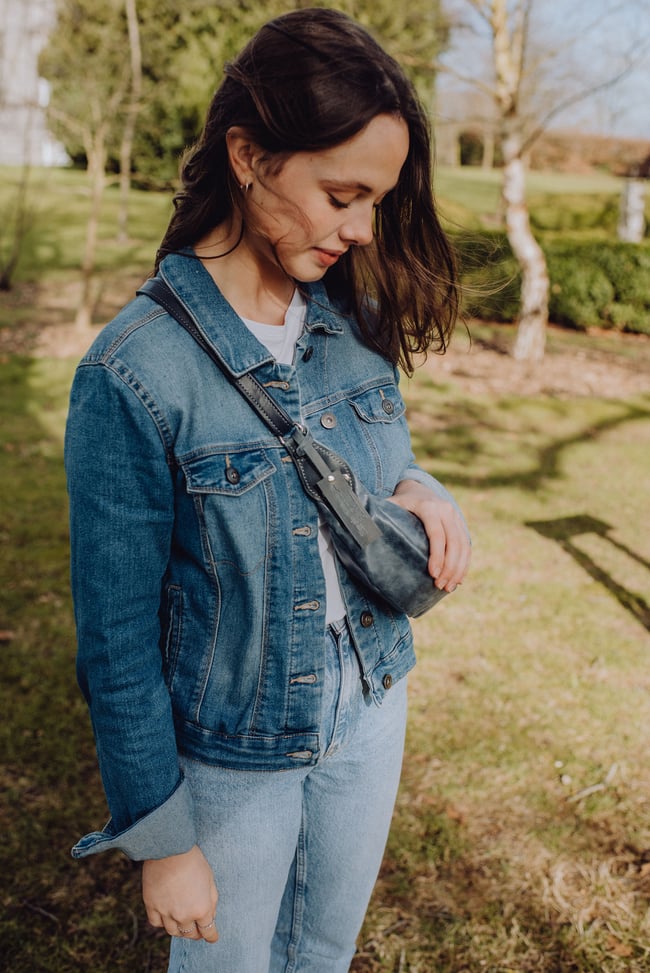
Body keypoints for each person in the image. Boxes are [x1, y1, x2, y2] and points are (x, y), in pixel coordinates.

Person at [64, 8, 471, 972]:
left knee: (324, 953)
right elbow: (115, 642)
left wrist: (424, 484)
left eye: (375, 198)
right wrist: (162, 840)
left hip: (372, 702)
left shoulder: (351, 318)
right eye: (341, 193)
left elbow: (366, 462)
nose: (363, 227)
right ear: (249, 155)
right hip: (234, 750)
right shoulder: (133, 372)